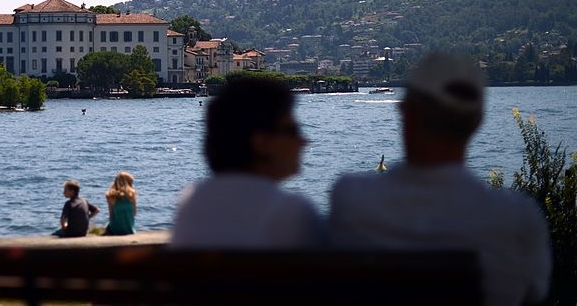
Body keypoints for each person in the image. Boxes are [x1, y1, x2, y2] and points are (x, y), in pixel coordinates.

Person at [328, 52, 551, 306]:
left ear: (405, 112)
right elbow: (535, 293)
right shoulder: (518, 220)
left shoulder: (350, 199)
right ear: (477, 121)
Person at [169, 77, 325, 248]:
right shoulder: (295, 214)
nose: (302, 141)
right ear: (261, 142)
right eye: (292, 130)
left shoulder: (191, 206)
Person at [103, 171, 137, 236]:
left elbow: (111, 215)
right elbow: (134, 213)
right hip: (130, 230)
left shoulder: (110, 195)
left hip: (115, 230)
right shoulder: (132, 195)